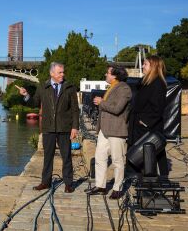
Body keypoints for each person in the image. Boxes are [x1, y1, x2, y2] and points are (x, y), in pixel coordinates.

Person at [16, 62, 79, 193]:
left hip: (64, 128)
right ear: (52, 73)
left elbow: (75, 110)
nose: (63, 74)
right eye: (59, 72)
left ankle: (68, 183)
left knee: (66, 156)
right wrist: (26, 95)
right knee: (47, 156)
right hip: (48, 127)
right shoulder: (43, 87)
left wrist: (75, 127)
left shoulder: (69, 87)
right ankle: (46, 182)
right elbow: (35, 103)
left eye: (63, 72)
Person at [87, 66, 131, 199]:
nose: (105, 74)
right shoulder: (111, 87)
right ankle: (100, 186)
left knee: (118, 160)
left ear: (115, 75)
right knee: (100, 158)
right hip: (104, 130)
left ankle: (117, 188)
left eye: (108, 73)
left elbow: (117, 109)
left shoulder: (124, 89)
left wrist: (101, 102)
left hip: (117, 129)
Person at [127, 55, 168, 177]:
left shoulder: (158, 84)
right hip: (139, 126)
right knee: (141, 155)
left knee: (151, 154)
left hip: (149, 127)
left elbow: (158, 108)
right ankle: (142, 179)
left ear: (153, 67)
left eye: (145, 64)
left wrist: (144, 122)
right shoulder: (145, 82)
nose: (143, 66)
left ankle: (155, 182)